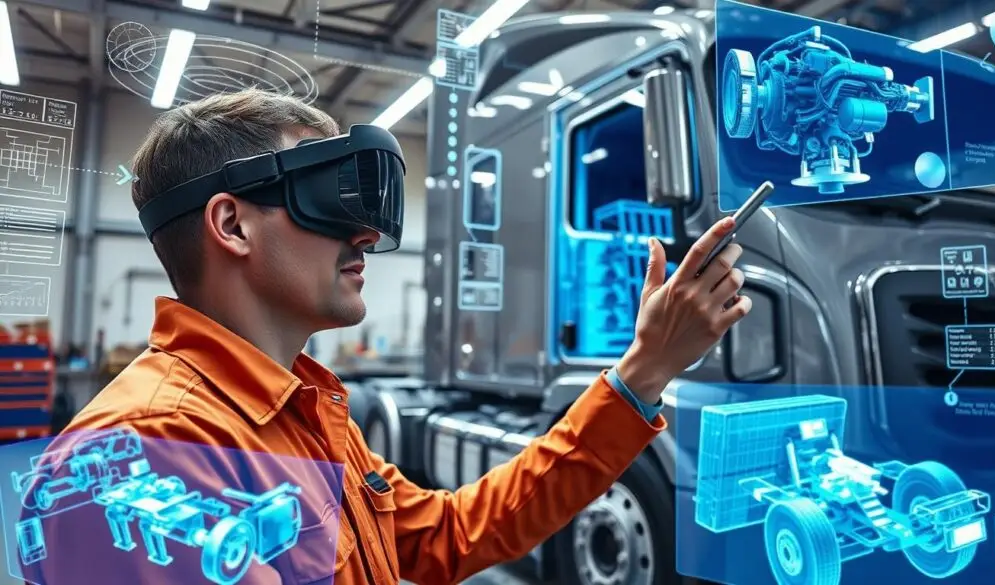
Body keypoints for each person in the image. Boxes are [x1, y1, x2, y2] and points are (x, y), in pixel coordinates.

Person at [20, 89, 749, 585]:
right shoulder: (144, 453)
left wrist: (642, 372)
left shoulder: (308, 411)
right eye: (325, 195)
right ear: (232, 224)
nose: (365, 231)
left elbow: (453, 531)